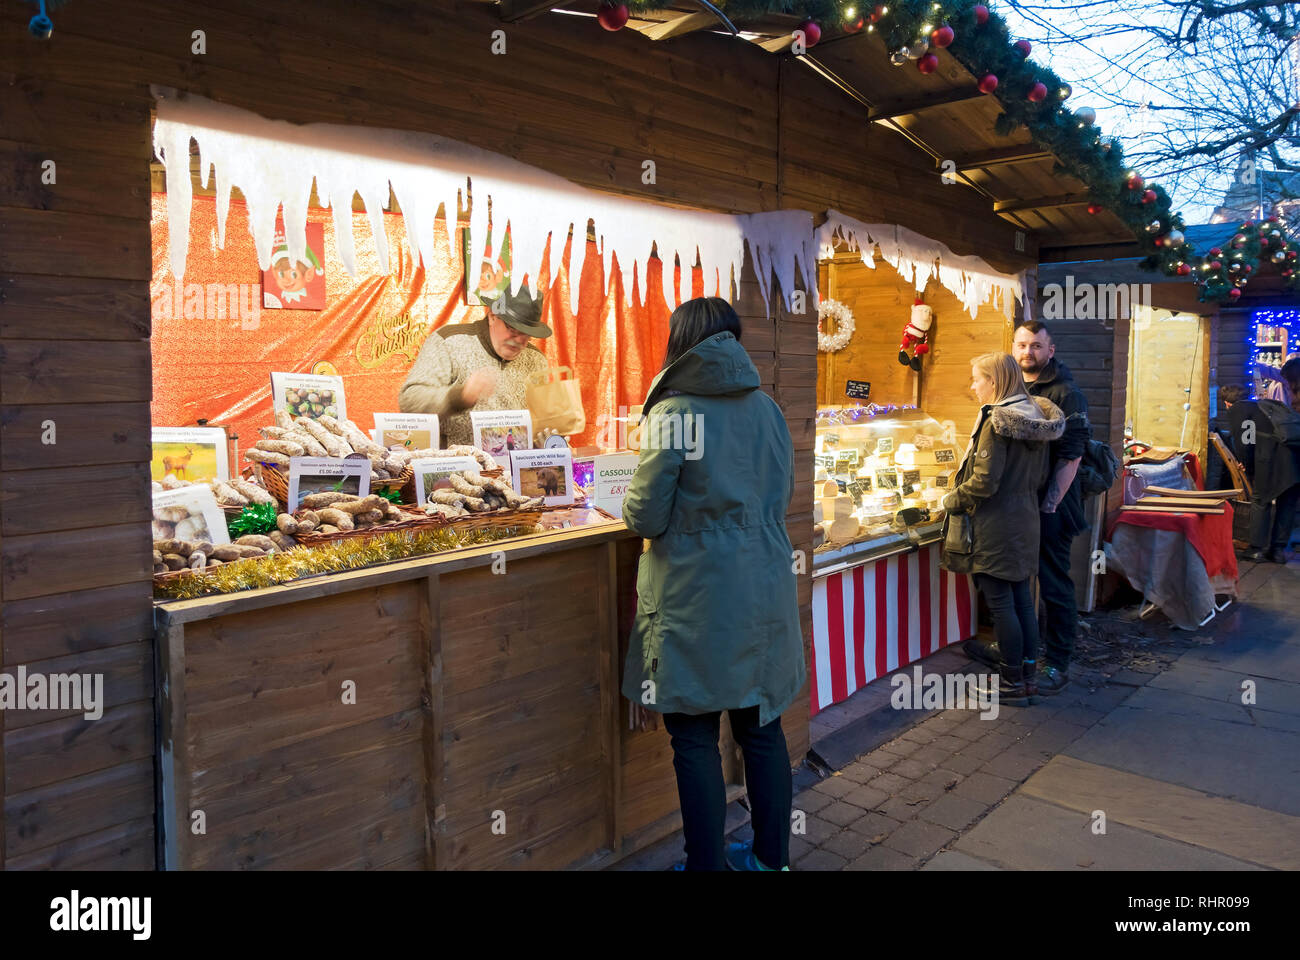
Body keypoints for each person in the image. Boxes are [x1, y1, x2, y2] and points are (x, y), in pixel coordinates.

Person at [621, 296, 805, 872]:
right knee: (762, 730)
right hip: (764, 587)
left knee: (695, 737)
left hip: (695, 597)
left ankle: (705, 866)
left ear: (679, 344)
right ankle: (772, 860)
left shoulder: (674, 414)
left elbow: (646, 516)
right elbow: (781, 492)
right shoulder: (767, 408)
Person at [966, 321, 1090, 696]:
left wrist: (1049, 504)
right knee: (1019, 584)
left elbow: (1072, 455)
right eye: (1021, 345)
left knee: (1052, 583)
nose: (1027, 352)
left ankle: (1057, 662)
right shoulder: (1014, 389)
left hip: (1050, 504)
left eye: (1036, 346)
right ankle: (1016, 655)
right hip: (1019, 506)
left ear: (1050, 351)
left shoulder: (1065, 393)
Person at [942, 353, 1065, 706]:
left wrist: (951, 500)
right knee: (1022, 600)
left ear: (994, 382)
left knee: (1001, 605)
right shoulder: (1036, 416)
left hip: (995, 524)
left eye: (976, 379)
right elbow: (1040, 477)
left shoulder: (997, 421)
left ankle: (1012, 680)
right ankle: (1027, 674)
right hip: (1025, 519)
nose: (973, 386)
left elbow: (984, 482)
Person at [398, 282, 551, 446]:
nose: (520, 340)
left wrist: (548, 437)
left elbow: (543, 419)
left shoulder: (536, 360)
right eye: (512, 328)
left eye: (527, 334)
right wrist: (459, 396)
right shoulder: (449, 342)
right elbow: (409, 400)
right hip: (456, 467)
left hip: (515, 468)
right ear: (492, 316)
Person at [1225, 377, 1300, 563]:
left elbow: (1245, 441)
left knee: (1260, 500)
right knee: (1287, 502)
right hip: (1295, 459)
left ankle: (1257, 549)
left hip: (1270, 460)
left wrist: (1248, 467)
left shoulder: (1238, 410)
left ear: (1227, 403)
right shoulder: (1262, 407)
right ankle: (1278, 550)